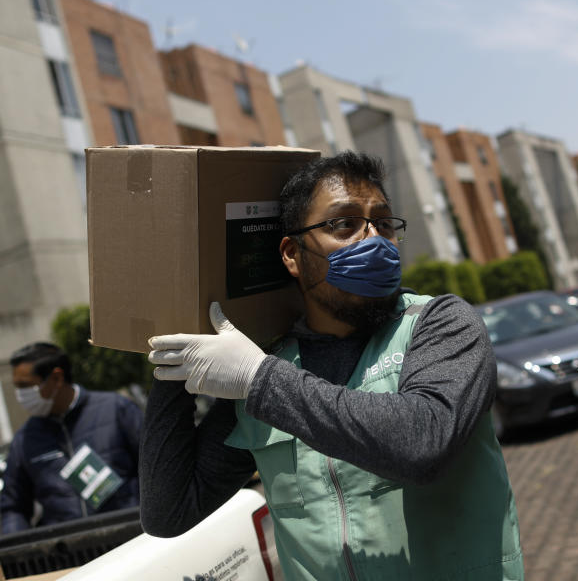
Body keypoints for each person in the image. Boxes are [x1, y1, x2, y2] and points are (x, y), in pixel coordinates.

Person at [141, 151, 523, 580]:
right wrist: (176, 345)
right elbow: (169, 512)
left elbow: (424, 442)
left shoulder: (439, 325)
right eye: (344, 224)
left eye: (383, 222)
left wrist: (259, 378)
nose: (373, 239)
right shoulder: (269, 372)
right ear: (291, 253)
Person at [1, 342, 142, 533]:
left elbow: (158, 471)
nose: (20, 396)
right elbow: (12, 506)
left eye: (25, 386)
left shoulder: (116, 410)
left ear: (57, 378)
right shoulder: (24, 439)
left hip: (131, 539)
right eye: (16, 387)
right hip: (69, 554)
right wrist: (20, 551)